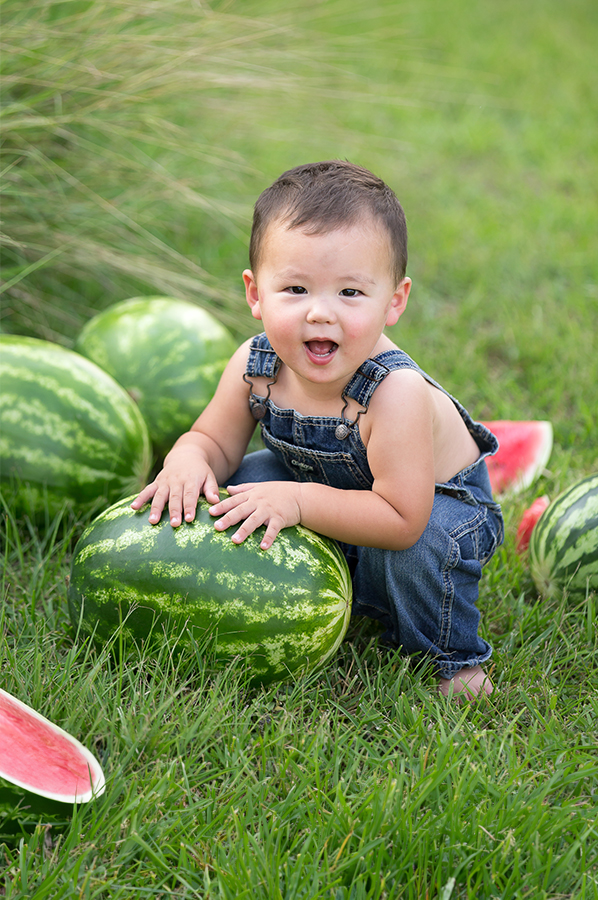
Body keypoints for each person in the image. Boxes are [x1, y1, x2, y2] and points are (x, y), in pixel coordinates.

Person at [132, 160, 504, 699]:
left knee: (420, 548)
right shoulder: (254, 363)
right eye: (296, 288)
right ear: (255, 292)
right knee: (240, 480)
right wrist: (189, 458)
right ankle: (285, 596)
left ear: (393, 301)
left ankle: (452, 658)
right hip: (336, 491)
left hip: (434, 508)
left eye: (350, 293)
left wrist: (299, 502)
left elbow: (401, 519)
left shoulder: (393, 392)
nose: (320, 314)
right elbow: (213, 441)